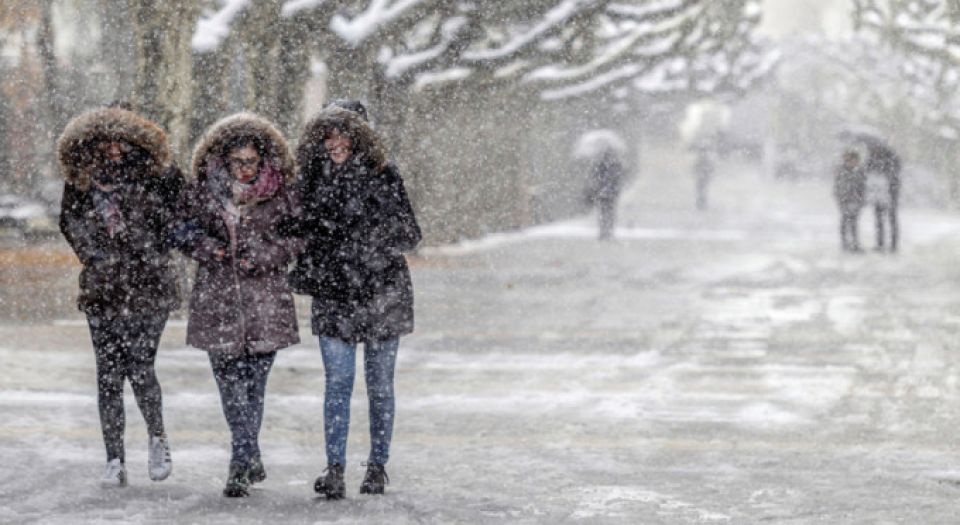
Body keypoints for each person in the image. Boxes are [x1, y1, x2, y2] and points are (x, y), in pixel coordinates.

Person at [284, 104, 421, 499]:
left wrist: (367, 233)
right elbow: (295, 229)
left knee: (379, 385)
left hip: (382, 292)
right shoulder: (309, 177)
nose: (335, 143)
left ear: (360, 136)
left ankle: (377, 467)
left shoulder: (383, 175)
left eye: (343, 134)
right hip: (333, 293)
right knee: (338, 383)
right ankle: (335, 469)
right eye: (328, 135)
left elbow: (410, 234)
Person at [174, 113, 300, 497]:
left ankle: (240, 462)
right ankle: (247, 454)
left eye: (251, 161)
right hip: (218, 302)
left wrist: (265, 254)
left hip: (266, 304)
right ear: (223, 160)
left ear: (263, 160)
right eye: (236, 162)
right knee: (230, 389)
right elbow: (181, 230)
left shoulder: (281, 192)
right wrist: (210, 249)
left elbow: (298, 237)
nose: (244, 169)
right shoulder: (201, 191)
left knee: (254, 387)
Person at [57, 105, 182, 487]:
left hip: (150, 288)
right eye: (107, 139)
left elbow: (177, 218)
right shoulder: (82, 179)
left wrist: (147, 244)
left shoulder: (159, 175)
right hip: (103, 290)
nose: (114, 147)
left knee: (140, 366)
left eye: (122, 139)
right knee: (108, 376)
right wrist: (96, 254)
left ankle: (157, 437)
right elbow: (70, 221)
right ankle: (114, 458)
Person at [864, 144, 901, 252]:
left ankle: (893, 244)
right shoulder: (871, 158)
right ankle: (880, 243)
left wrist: (885, 172)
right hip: (878, 194)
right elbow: (867, 171)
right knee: (879, 220)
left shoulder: (891, 157)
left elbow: (896, 171)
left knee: (891, 219)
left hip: (890, 193)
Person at [584, 148, 624, 240]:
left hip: (602, 193)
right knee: (610, 212)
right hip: (611, 193)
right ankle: (608, 231)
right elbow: (619, 179)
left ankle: (604, 231)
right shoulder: (616, 166)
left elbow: (594, 178)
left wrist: (597, 187)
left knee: (603, 212)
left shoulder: (599, 165)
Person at [833, 149, 866, 252]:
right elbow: (838, 186)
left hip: (855, 200)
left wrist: (861, 199)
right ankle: (845, 243)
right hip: (845, 200)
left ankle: (854, 243)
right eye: (854, 160)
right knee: (845, 221)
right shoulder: (842, 171)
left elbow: (863, 186)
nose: (855, 163)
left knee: (854, 222)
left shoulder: (859, 171)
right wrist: (841, 198)